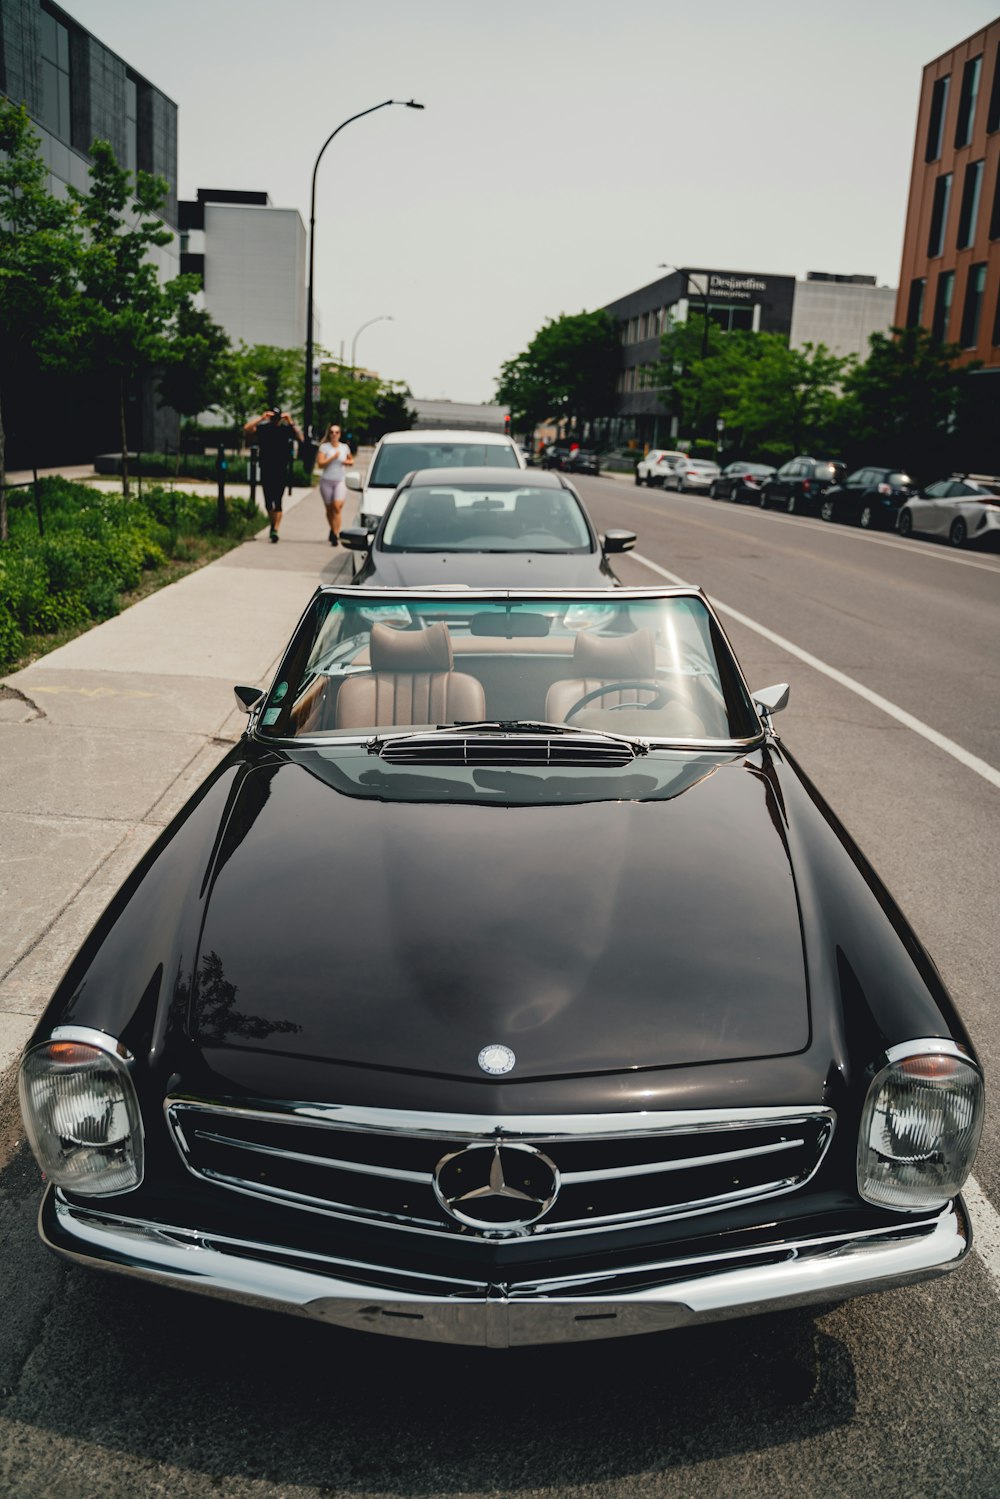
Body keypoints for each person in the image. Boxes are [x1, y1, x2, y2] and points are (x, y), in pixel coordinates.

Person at [244, 407, 302, 543]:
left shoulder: (285, 430)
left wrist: (290, 421)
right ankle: (272, 524)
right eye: (273, 417)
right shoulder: (264, 428)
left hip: (281, 469)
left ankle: (275, 529)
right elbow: (247, 428)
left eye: (277, 417)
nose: (275, 419)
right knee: (268, 502)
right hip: (266, 468)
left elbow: (300, 437)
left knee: (278, 501)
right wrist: (261, 418)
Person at [316, 422, 355, 546]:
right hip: (326, 480)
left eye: (336, 432)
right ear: (329, 434)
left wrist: (347, 462)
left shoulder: (344, 447)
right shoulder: (324, 448)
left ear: (340, 434)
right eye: (332, 432)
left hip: (340, 480)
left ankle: (335, 534)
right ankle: (332, 528)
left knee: (337, 507)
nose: (334, 434)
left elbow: (351, 459)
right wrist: (332, 458)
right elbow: (320, 464)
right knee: (329, 509)